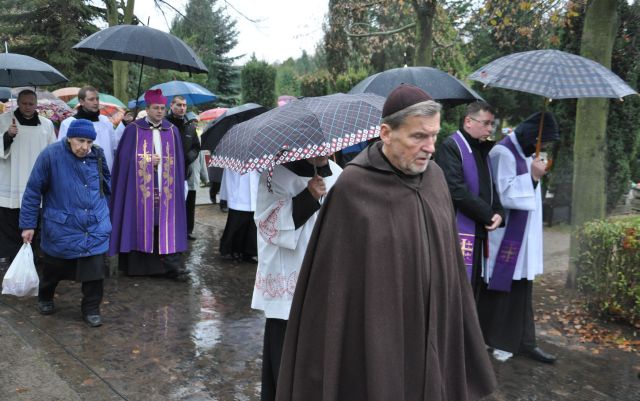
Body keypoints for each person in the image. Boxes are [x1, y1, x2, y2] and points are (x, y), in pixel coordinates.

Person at [275, 84, 496, 401]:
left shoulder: (434, 179)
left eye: (434, 135)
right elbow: (331, 293)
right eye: (418, 136)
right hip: (378, 334)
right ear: (386, 133)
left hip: (432, 325)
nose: (430, 147)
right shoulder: (353, 187)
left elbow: (448, 261)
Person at [253, 156, 342, 401]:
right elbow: (268, 224)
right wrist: (308, 198)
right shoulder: (274, 174)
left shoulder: (337, 172)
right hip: (287, 269)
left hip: (324, 265)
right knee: (285, 344)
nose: (323, 151)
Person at [478, 111, 560, 364]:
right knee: (504, 288)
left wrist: (536, 172)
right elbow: (504, 194)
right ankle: (498, 341)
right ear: (531, 136)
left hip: (526, 234)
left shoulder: (527, 153)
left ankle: (524, 341)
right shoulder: (503, 153)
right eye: (542, 141)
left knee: (523, 287)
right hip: (507, 236)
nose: (543, 147)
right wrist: (533, 176)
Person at [20, 119, 111, 327]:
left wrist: (104, 212)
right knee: (54, 269)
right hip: (62, 225)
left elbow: (106, 184)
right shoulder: (50, 155)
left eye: (89, 142)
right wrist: (28, 225)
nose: (85, 147)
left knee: (95, 272)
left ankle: (91, 309)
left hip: (93, 225)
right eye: (80, 141)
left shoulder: (97, 155)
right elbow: (33, 191)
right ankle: (45, 296)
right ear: (69, 137)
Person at [108, 89, 188, 281]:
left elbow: (178, 162)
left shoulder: (172, 130)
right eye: (155, 108)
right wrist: (143, 160)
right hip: (139, 191)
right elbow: (124, 161)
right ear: (148, 108)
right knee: (141, 221)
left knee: (165, 223)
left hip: (165, 189)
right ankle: (139, 267)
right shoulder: (132, 130)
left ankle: (169, 266)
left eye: (162, 108)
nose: (159, 112)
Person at [435, 102, 504, 296]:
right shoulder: (452, 146)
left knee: (475, 289)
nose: (490, 129)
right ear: (468, 121)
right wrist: (488, 215)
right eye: (486, 123)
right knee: (459, 291)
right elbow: (456, 190)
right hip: (459, 230)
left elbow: (490, 186)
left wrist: (499, 212)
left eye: (492, 124)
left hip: (480, 229)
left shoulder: (482, 149)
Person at [0, 89, 56, 277]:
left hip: (37, 182)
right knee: (10, 226)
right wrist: (7, 136)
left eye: (31, 103)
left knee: (36, 224)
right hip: (12, 180)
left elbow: (52, 152)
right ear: (18, 103)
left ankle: (33, 260)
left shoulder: (46, 125)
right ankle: (13, 263)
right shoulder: (5, 120)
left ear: (36, 104)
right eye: (24, 103)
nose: (27, 107)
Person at [166, 96, 201, 240]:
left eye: (184, 105)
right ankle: (168, 229)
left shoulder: (190, 127)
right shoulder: (164, 124)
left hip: (184, 171)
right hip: (166, 171)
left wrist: (188, 157)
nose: (182, 108)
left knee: (186, 202)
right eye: (179, 105)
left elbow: (196, 147)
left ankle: (186, 230)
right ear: (172, 105)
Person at [58, 86, 117, 171]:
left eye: (97, 99)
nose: (96, 102)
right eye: (91, 99)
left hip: (107, 170)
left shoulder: (105, 121)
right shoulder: (68, 123)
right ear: (81, 101)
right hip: (80, 172)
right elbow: (62, 152)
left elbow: (114, 147)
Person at [218, 169, 260, 261]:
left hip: (255, 191)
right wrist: (224, 197)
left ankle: (250, 252)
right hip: (238, 193)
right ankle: (231, 250)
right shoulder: (234, 156)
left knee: (253, 224)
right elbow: (227, 177)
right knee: (235, 223)